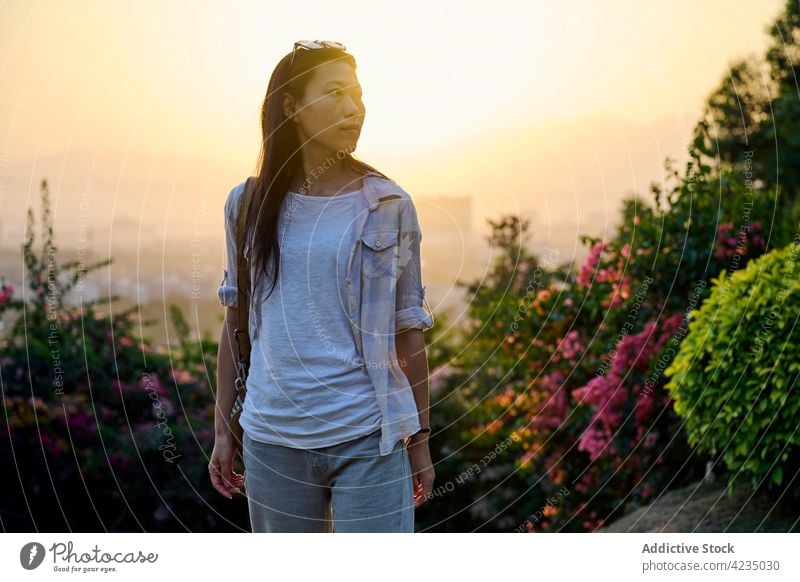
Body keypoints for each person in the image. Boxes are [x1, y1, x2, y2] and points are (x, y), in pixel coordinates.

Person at [208, 40, 436, 532]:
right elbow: (236, 321)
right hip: (272, 438)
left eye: (357, 95)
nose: (353, 109)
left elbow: (408, 329)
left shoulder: (389, 205)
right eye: (335, 93)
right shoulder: (247, 205)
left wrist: (419, 441)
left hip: (370, 435)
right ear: (291, 106)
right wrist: (224, 430)